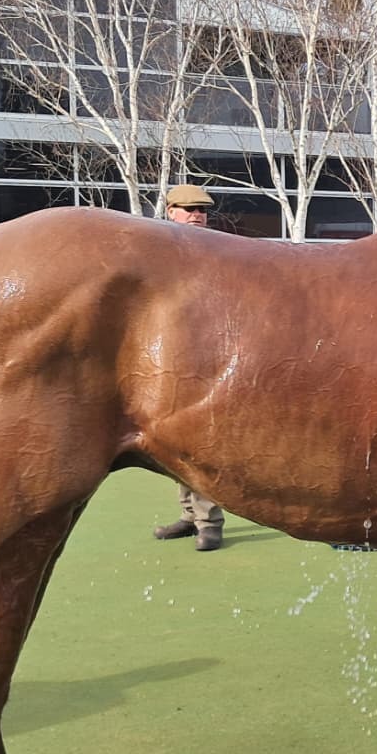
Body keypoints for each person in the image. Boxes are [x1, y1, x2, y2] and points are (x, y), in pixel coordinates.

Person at [152, 184, 226, 552]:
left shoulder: (221, 252)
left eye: (201, 209)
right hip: (169, 360)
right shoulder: (160, 250)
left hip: (211, 360)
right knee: (168, 443)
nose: (196, 214)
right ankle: (189, 514)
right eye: (187, 208)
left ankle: (210, 522)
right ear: (170, 211)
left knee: (200, 445)